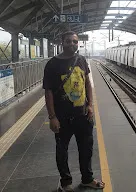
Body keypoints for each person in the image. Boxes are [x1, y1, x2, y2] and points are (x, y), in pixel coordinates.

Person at [43, 31, 105, 192]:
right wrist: (52, 117)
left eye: (75, 42)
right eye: (68, 41)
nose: (72, 44)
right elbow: (48, 92)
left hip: (83, 115)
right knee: (62, 151)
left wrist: (90, 105)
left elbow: (87, 84)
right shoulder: (52, 64)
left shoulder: (82, 60)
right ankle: (66, 183)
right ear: (61, 42)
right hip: (62, 117)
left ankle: (87, 179)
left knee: (86, 149)